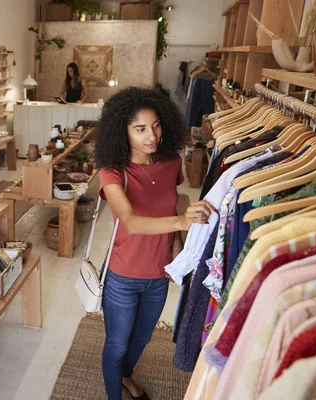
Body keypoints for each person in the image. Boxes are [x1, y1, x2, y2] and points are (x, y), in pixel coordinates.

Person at [94, 87, 215, 400]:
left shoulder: (171, 163)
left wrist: (176, 248)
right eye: (140, 129)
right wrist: (181, 224)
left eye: (157, 125)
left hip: (158, 274)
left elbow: (169, 207)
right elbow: (131, 222)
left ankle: (124, 376)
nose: (152, 135)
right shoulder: (112, 171)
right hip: (122, 275)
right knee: (117, 342)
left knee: (142, 339)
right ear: (122, 131)